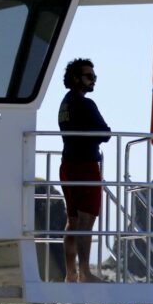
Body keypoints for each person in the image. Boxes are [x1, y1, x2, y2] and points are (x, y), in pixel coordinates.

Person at [58, 58, 111, 283]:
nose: (93, 81)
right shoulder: (85, 104)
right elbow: (105, 133)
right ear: (75, 78)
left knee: (72, 220)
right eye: (89, 76)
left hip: (67, 165)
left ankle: (71, 273)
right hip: (85, 166)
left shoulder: (65, 104)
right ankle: (85, 273)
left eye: (94, 77)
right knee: (86, 221)